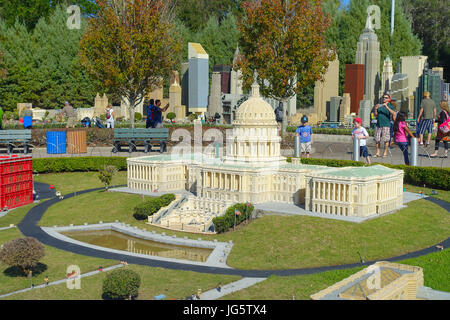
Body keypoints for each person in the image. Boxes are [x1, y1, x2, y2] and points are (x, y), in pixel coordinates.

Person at [373, 93, 396, 158]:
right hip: (378, 124)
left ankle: (385, 153)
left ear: (389, 99)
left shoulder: (390, 106)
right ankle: (378, 153)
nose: (384, 99)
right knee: (377, 139)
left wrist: (386, 107)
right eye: (383, 97)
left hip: (386, 124)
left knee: (386, 140)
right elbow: (376, 115)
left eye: (386, 98)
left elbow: (393, 113)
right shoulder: (379, 106)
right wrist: (375, 109)